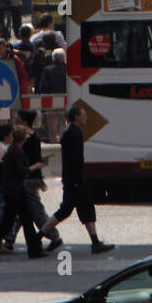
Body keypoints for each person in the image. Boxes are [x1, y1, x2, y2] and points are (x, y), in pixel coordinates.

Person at [39, 105, 114, 253]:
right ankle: (38, 236)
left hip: (75, 179)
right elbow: (74, 160)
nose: (86, 118)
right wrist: (76, 180)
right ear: (77, 117)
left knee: (87, 209)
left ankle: (95, 242)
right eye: (84, 115)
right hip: (75, 180)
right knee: (65, 210)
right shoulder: (74, 133)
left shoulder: (71, 132)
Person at [0, 125, 47, 259]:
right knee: (14, 220)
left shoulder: (13, 149)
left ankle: (34, 249)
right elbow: (21, 170)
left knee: (22, 219)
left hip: (14, 189)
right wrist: (36, 166)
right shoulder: (16, 151)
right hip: (15, 190)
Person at [8, 108, 61, 250]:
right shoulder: (25, 137)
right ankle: (9, 239)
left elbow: (36, 160)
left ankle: (53, 235)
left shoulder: (30, 139)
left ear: (24, 121)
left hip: (29, 179)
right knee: (21, 210)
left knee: (35, 211)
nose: (16, 121)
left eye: (18, 119)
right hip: (26, 178)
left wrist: (31, 173)